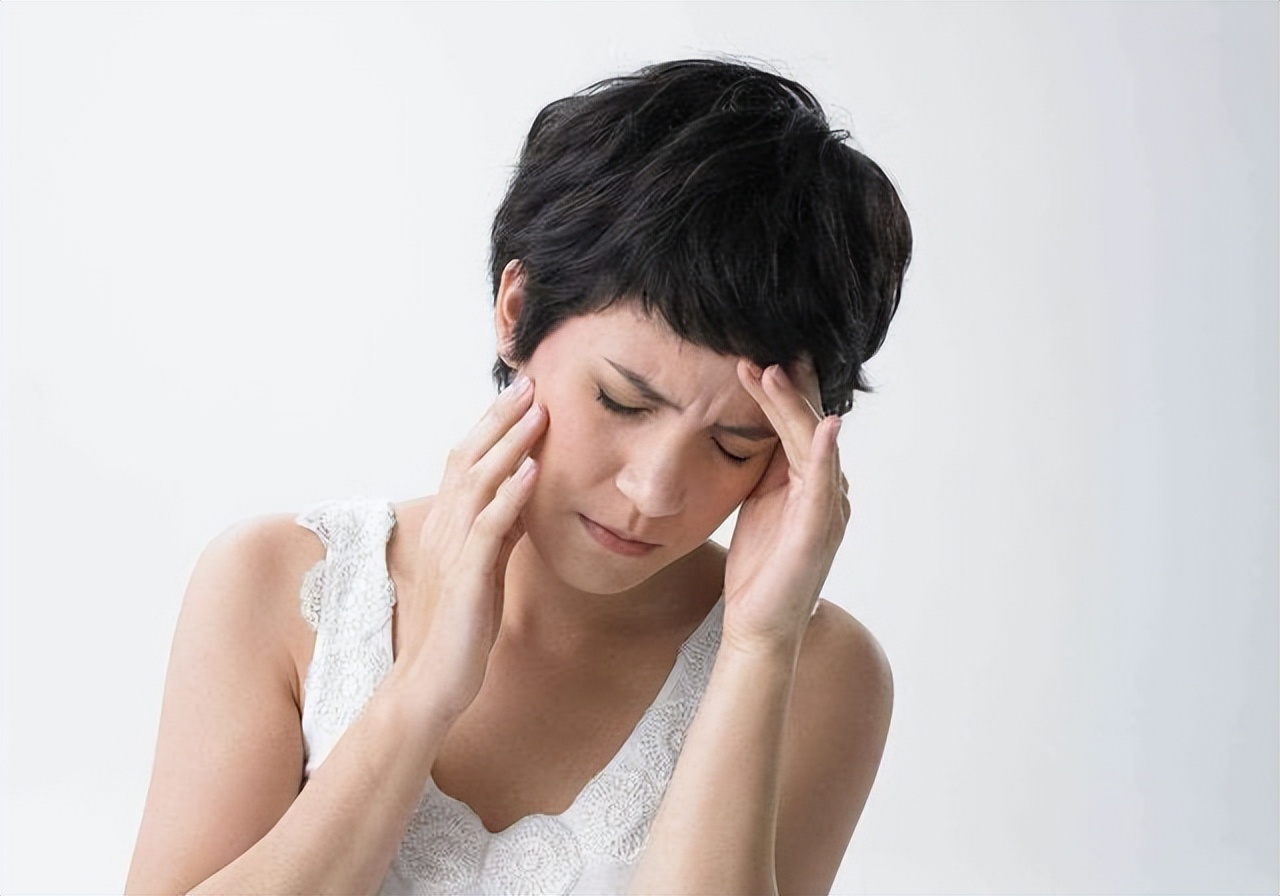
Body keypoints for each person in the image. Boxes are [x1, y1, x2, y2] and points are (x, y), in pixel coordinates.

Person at [125, 58, 912, 895]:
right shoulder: (280, 585)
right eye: (621, 401)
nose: (653, 491)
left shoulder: (822, 671)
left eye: (734, 444)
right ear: (515, 312)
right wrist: (421, 690)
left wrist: (755, 649)